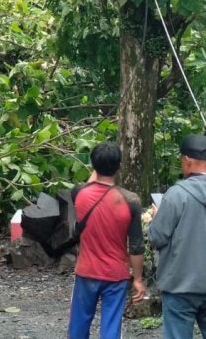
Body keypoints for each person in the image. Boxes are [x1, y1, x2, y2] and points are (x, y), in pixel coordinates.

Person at [147, 135, 206, 339]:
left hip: (180, 287)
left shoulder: (176, 195)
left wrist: (155, 218)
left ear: (187, 160)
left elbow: (156, 236)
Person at [67, 142, 146, 339]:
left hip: (86, 271)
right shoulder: (130, 200)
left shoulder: (79, 193)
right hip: (116, 274)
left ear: (93, 165)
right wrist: (137, 279)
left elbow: (89, 185)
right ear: (119, 166)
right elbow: (136, 246)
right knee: (111, 328)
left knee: (78, 326)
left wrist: (97, 166)